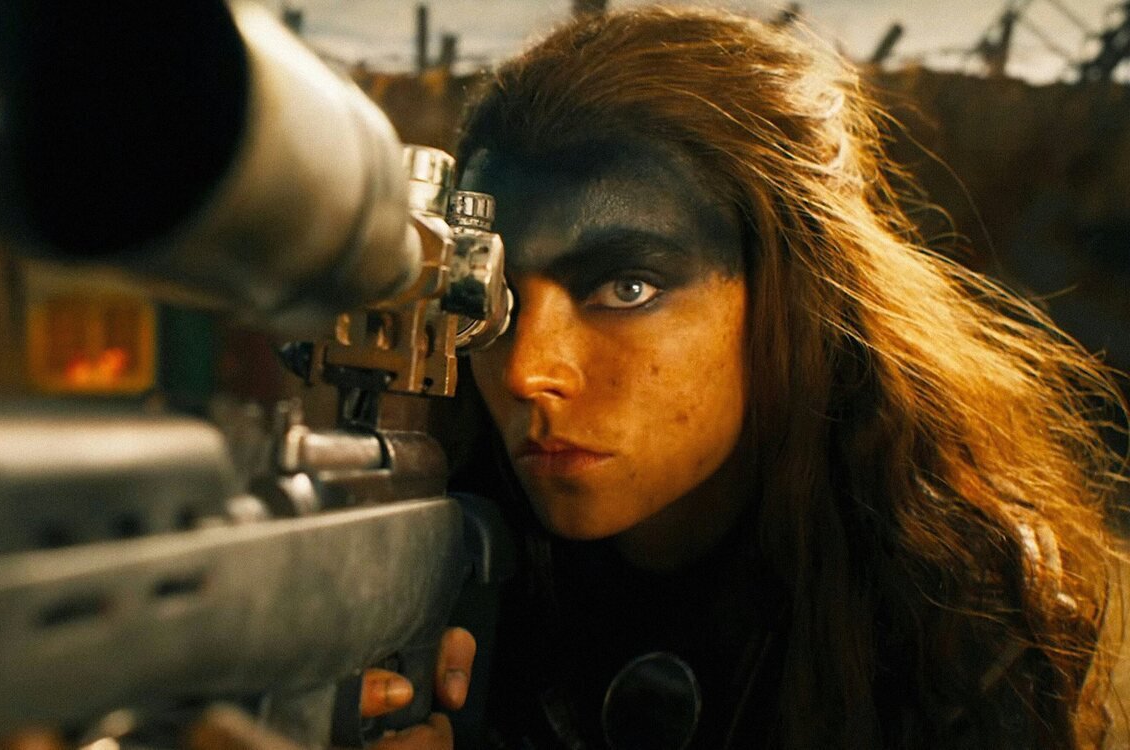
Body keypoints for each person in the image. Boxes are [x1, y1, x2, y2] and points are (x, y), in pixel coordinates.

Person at [372, 6, 1125, 749]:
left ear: (790, 299)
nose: (527, 369)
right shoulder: (429, 557)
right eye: (490, 300)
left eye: (627, 288)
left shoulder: (950, 605)